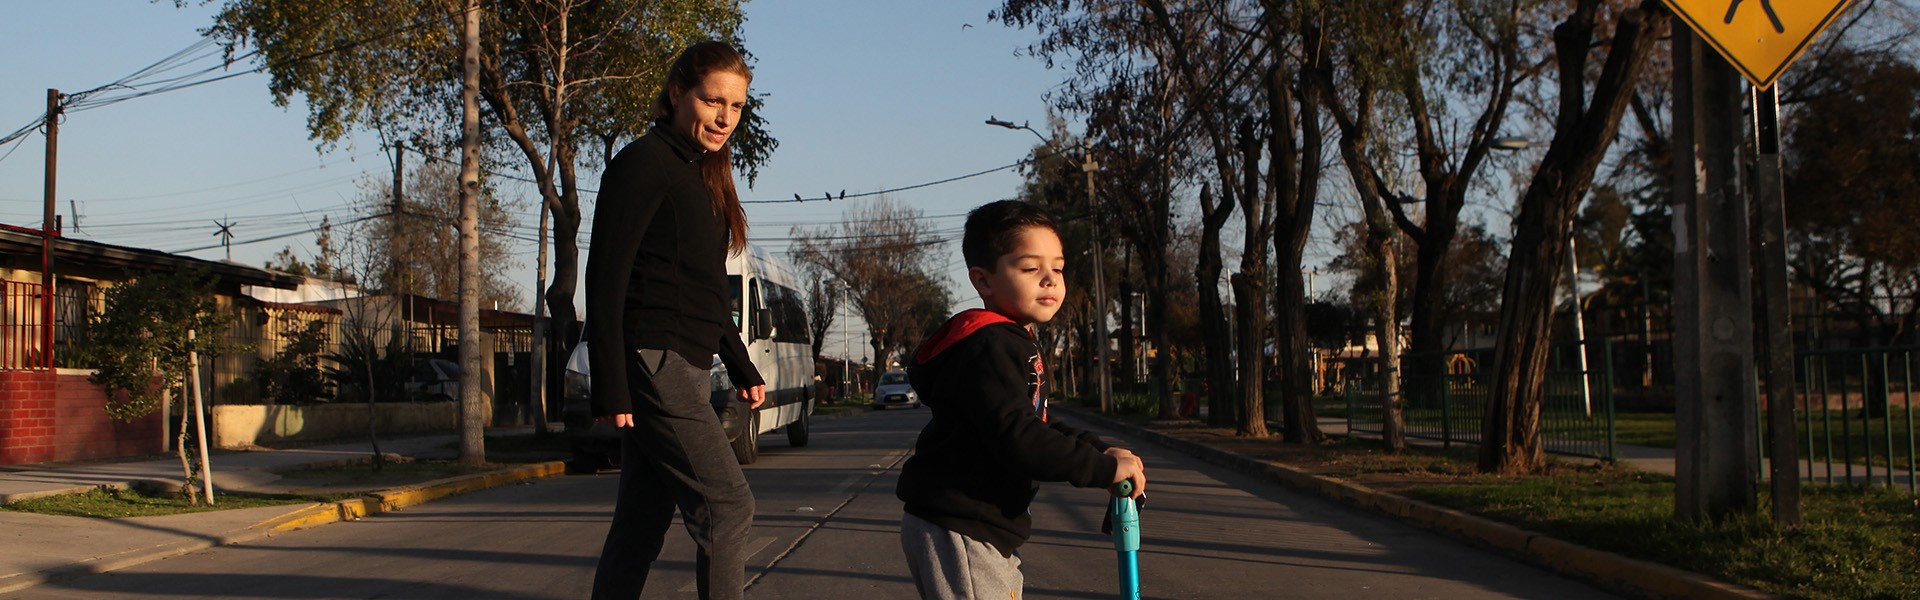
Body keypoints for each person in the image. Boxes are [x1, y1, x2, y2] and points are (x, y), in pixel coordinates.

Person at [585, 40, 766, 600]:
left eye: (735, 107)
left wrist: (741, 365)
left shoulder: (702, 176)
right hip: (654, 360)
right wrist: (610, 385)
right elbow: (605, 278)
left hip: (683, 361)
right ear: (676, 94)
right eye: (712, 101)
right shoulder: (644, 164)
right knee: (729, 507)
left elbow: (707, 289)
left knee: (641, 522)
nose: (724, 118)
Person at [895, 199, 1147, 600]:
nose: (1049, 279)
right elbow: (1018, 437)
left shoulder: (1012, 340)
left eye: (1058, 268)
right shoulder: (990, 345)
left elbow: (1035, 422)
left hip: (981, 527)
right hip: (962, 525)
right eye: (1031, 268)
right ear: (983, 281)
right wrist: (1100, 469)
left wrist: (1100, 449)